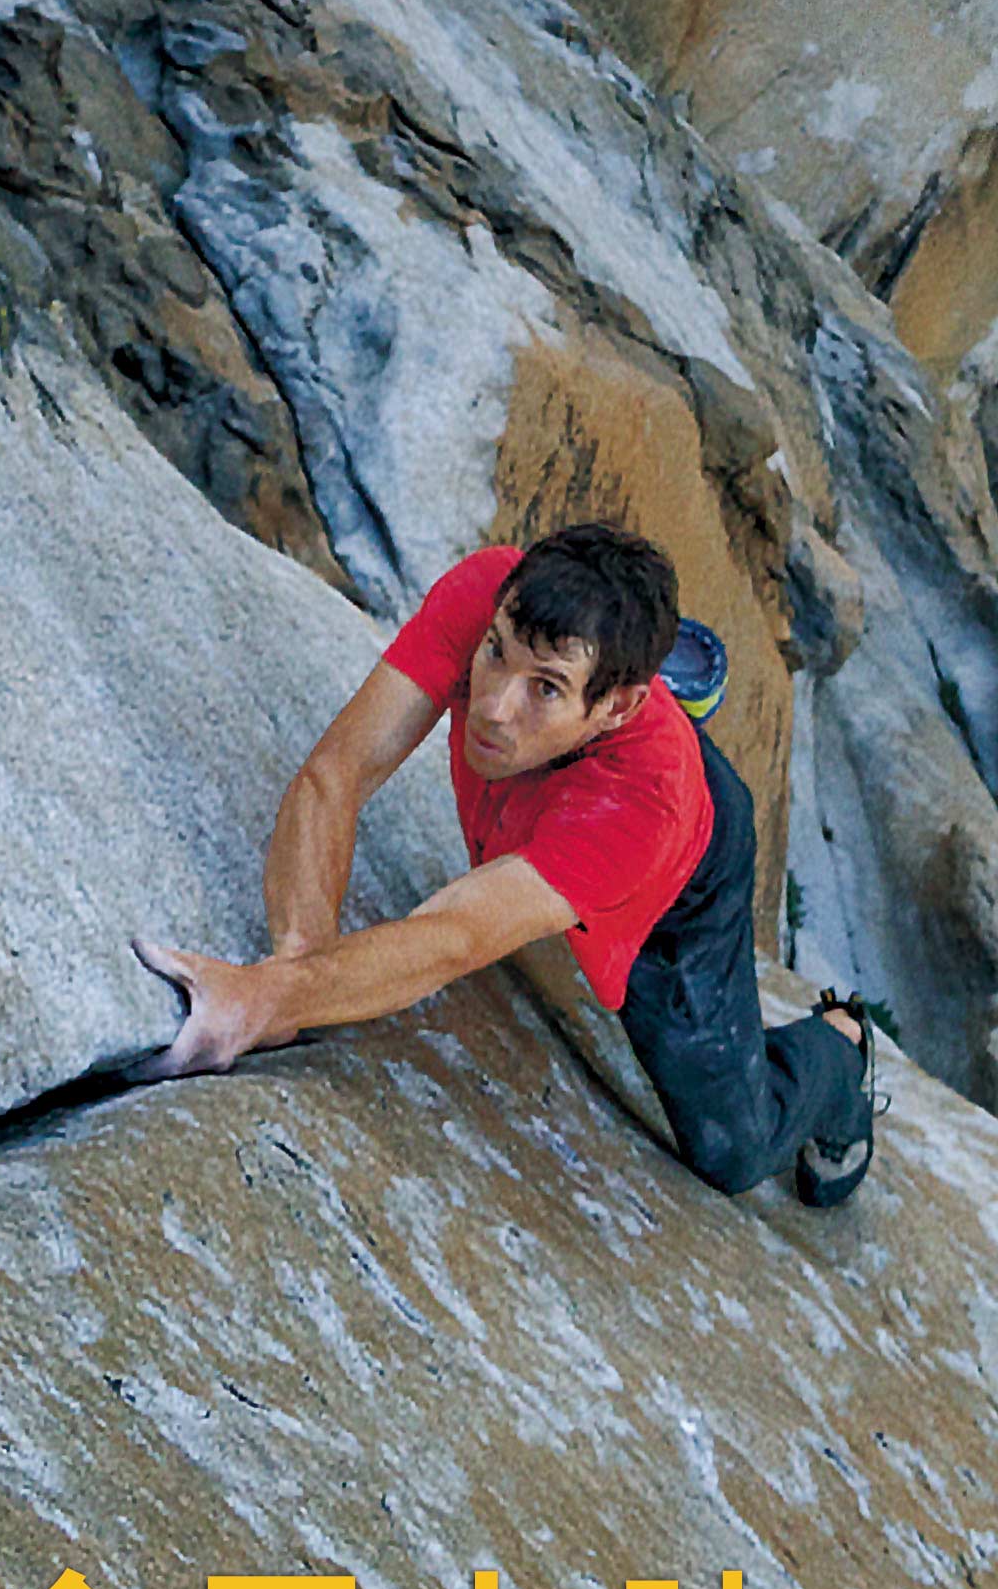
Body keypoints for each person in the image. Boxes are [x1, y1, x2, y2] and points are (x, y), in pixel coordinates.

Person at [135, 515, 876, 1210]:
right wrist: (290, 976)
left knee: (732, 1149)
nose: (491, 706)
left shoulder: (642, 810)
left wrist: (272, 998)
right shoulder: (495, 594)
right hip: (598, 769)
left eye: (543, 688)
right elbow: (337, 775)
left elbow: (455, 936)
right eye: (495, 654)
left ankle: (839, 1055)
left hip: (686, 870)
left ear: (616, 707)